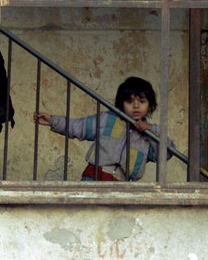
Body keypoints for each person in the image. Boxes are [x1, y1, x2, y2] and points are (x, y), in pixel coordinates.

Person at [33, 76, 172, 181]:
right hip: (94, 176)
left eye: (142, 101)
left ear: (150, 105)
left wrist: (151, 129)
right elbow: (78, 126)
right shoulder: (107, 120)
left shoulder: (149, 135)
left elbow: (166, 153)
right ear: (121, 103)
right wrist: (53, 120)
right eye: (129, 101)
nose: (136, 106)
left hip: (122, 184)